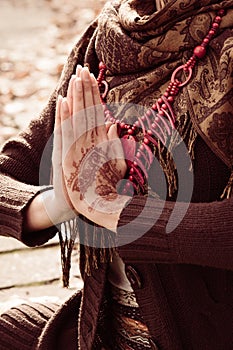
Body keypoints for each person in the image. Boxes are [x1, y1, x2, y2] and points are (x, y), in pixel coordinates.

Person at [0, 0, 233, 349]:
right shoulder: (109, 40)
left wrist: (114, 211)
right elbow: (9, 173)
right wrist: (59, 203)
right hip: (102, 330)